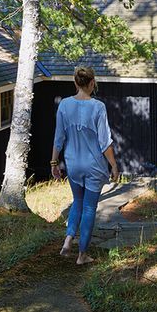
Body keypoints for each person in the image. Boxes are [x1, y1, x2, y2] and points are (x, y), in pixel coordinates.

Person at [50, 66, 119, 265]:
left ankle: (68, 238)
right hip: (94, 166)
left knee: (77, 202)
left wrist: (54, 162)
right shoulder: (98, 107)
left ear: (75, 83)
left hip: (73, 164)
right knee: (89, 207)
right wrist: (113, 165)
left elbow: (58, 138)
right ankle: (82, 255)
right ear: (91, 83)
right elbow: (105, 142)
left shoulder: (64, 105)